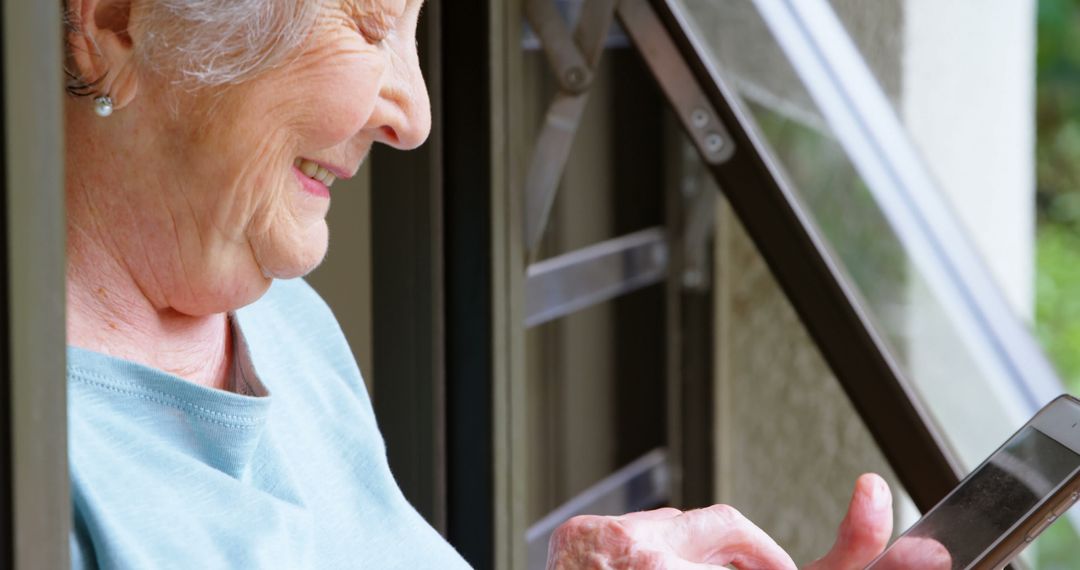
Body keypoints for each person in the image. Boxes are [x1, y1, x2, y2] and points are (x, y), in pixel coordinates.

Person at [62, 0, 903, 567]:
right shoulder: (38, 476)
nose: (416, 114)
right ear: (113, 18)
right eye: (369, 21)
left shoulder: (285, 324)